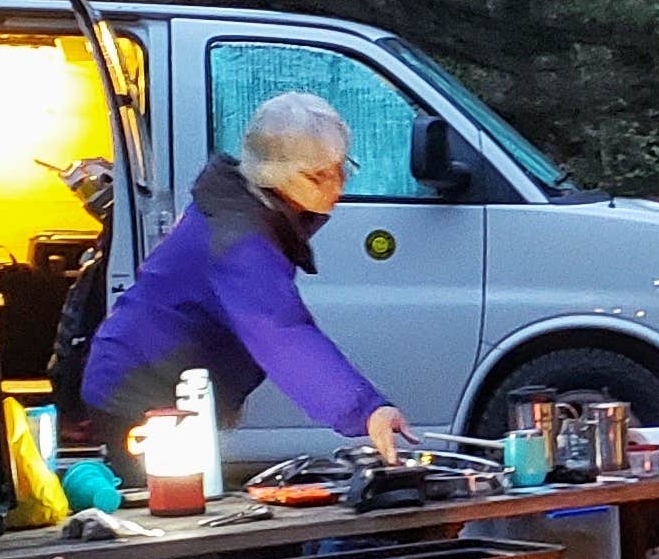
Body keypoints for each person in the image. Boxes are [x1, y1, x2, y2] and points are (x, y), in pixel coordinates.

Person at [77, 92, 411, 470]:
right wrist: (367, 410)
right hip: (139, 395)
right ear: (273, 173)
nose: (337, 185)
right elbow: (282, 334)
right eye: (319, 176)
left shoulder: (242, 207)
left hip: (154, 385)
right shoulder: (239, 239)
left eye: (339, 168)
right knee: (172, 505)